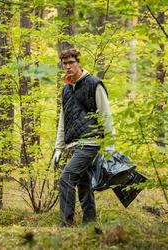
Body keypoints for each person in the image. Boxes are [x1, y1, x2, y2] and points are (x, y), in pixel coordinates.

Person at [53, 48, 115, 226]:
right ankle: (90, 224)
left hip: (91, 142)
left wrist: (110, 145)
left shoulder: (94, 84)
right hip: (74, 144)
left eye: (71, 62)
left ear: (78, 63)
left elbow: (106, 115)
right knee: (84, 184)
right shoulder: (66, 88)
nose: (67, 67)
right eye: (64, 64)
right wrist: (58, 148)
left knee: (66, 178)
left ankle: (65, 225)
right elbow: (62, 121)